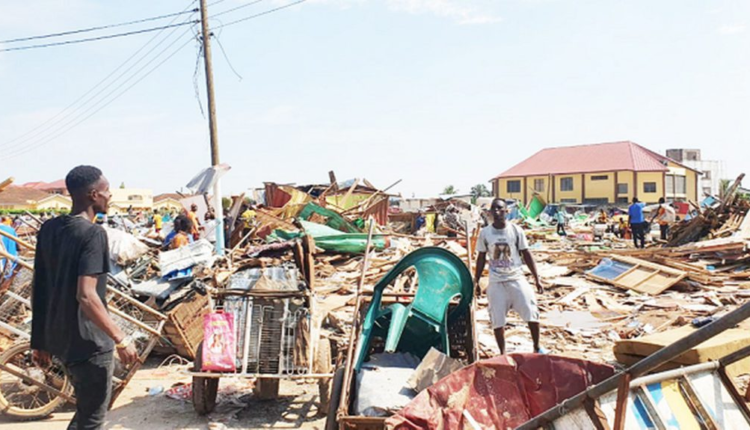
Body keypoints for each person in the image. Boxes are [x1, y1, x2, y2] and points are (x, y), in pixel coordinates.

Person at [31, 166, 138, 430]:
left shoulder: (49, 228)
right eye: (106, 190)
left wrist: (40, 341)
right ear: (93, 195)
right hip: (89, 344)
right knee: (92, 419)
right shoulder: (93, 234)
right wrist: (121, 339)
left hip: (60, 340)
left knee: (86, 414)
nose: (110, 196)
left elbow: (40, 287)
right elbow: (87, 296)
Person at [474, 198, 545, 355]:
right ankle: (503, 353)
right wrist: (476, 281)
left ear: (507, 211)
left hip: (516, 278)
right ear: (490, 212)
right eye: (494, 209)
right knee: (497, 319)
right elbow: (481, 257)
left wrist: (537, 278)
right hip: (496, 282)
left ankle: (537, 347)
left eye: (500, 209)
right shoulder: (485, 233)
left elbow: (526, 253)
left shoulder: (516, 230)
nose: (497, 212)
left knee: (531, 311)